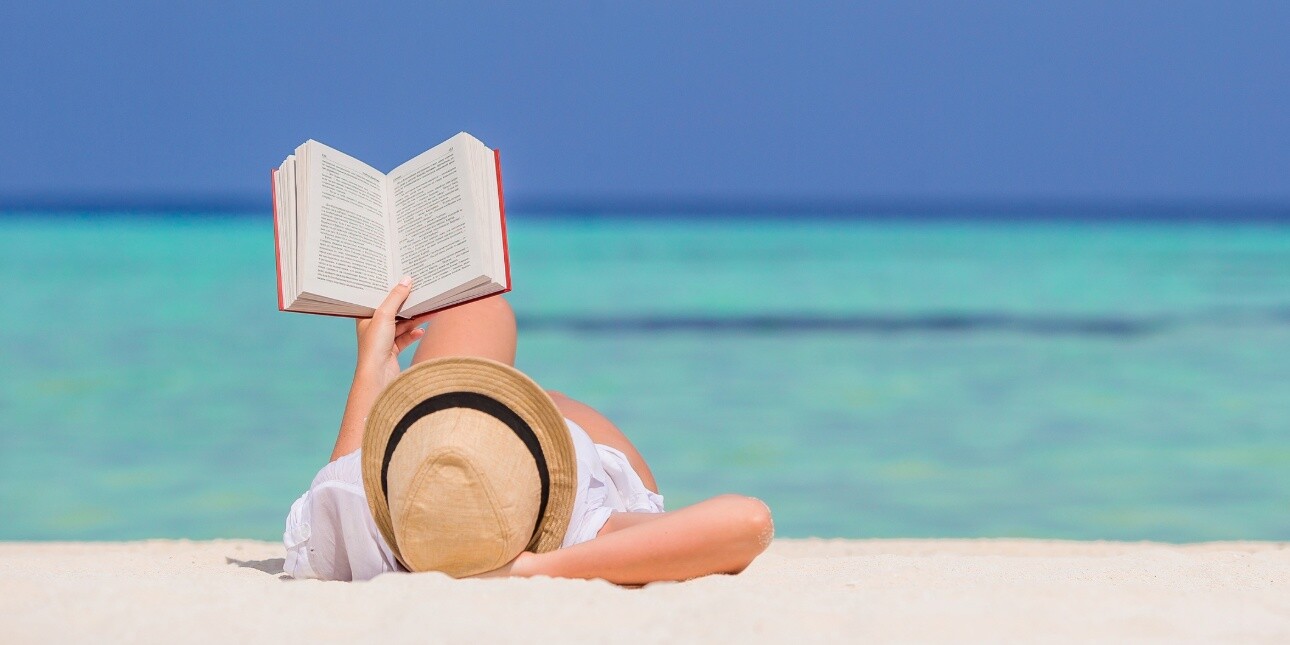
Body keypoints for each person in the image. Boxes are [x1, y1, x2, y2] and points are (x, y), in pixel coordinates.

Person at [284, 277, 774, 585]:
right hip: (583, 468)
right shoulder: (579, 531)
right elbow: (747, 524)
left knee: (474, 307)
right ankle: (538, 409)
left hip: (446, 442)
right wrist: (531, 570)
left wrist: (375, 361)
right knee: (556, 398)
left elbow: (345, 474)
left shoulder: (360, 518)